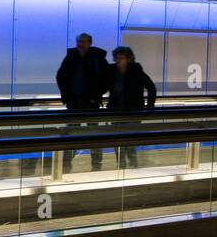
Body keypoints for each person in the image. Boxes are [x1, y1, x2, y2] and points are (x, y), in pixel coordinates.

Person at [55, 32, 109, 171]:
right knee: (79, 132)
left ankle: (94, 164)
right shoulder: (74, 57)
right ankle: (69, 164)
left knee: (90, 133)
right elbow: (61, 76)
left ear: (89, 43)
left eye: (83, 41)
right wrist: (67, 96)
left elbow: (107, 77)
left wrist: (96, 94)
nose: (80, 44)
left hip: (87, 102)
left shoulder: (95, 57)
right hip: (78, 102)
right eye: (79, 41)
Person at [105, 45, 157, 169]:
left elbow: (151, 87)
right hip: (117, 111)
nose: (118, 61)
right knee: (119, 140)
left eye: (121, 58)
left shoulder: (136, 70)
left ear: (128, 59)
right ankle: (123, 165)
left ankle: (131, 164)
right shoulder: (113, 71)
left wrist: (149, 107)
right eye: (116, 58)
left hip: (132, 111)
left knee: (130, 139)